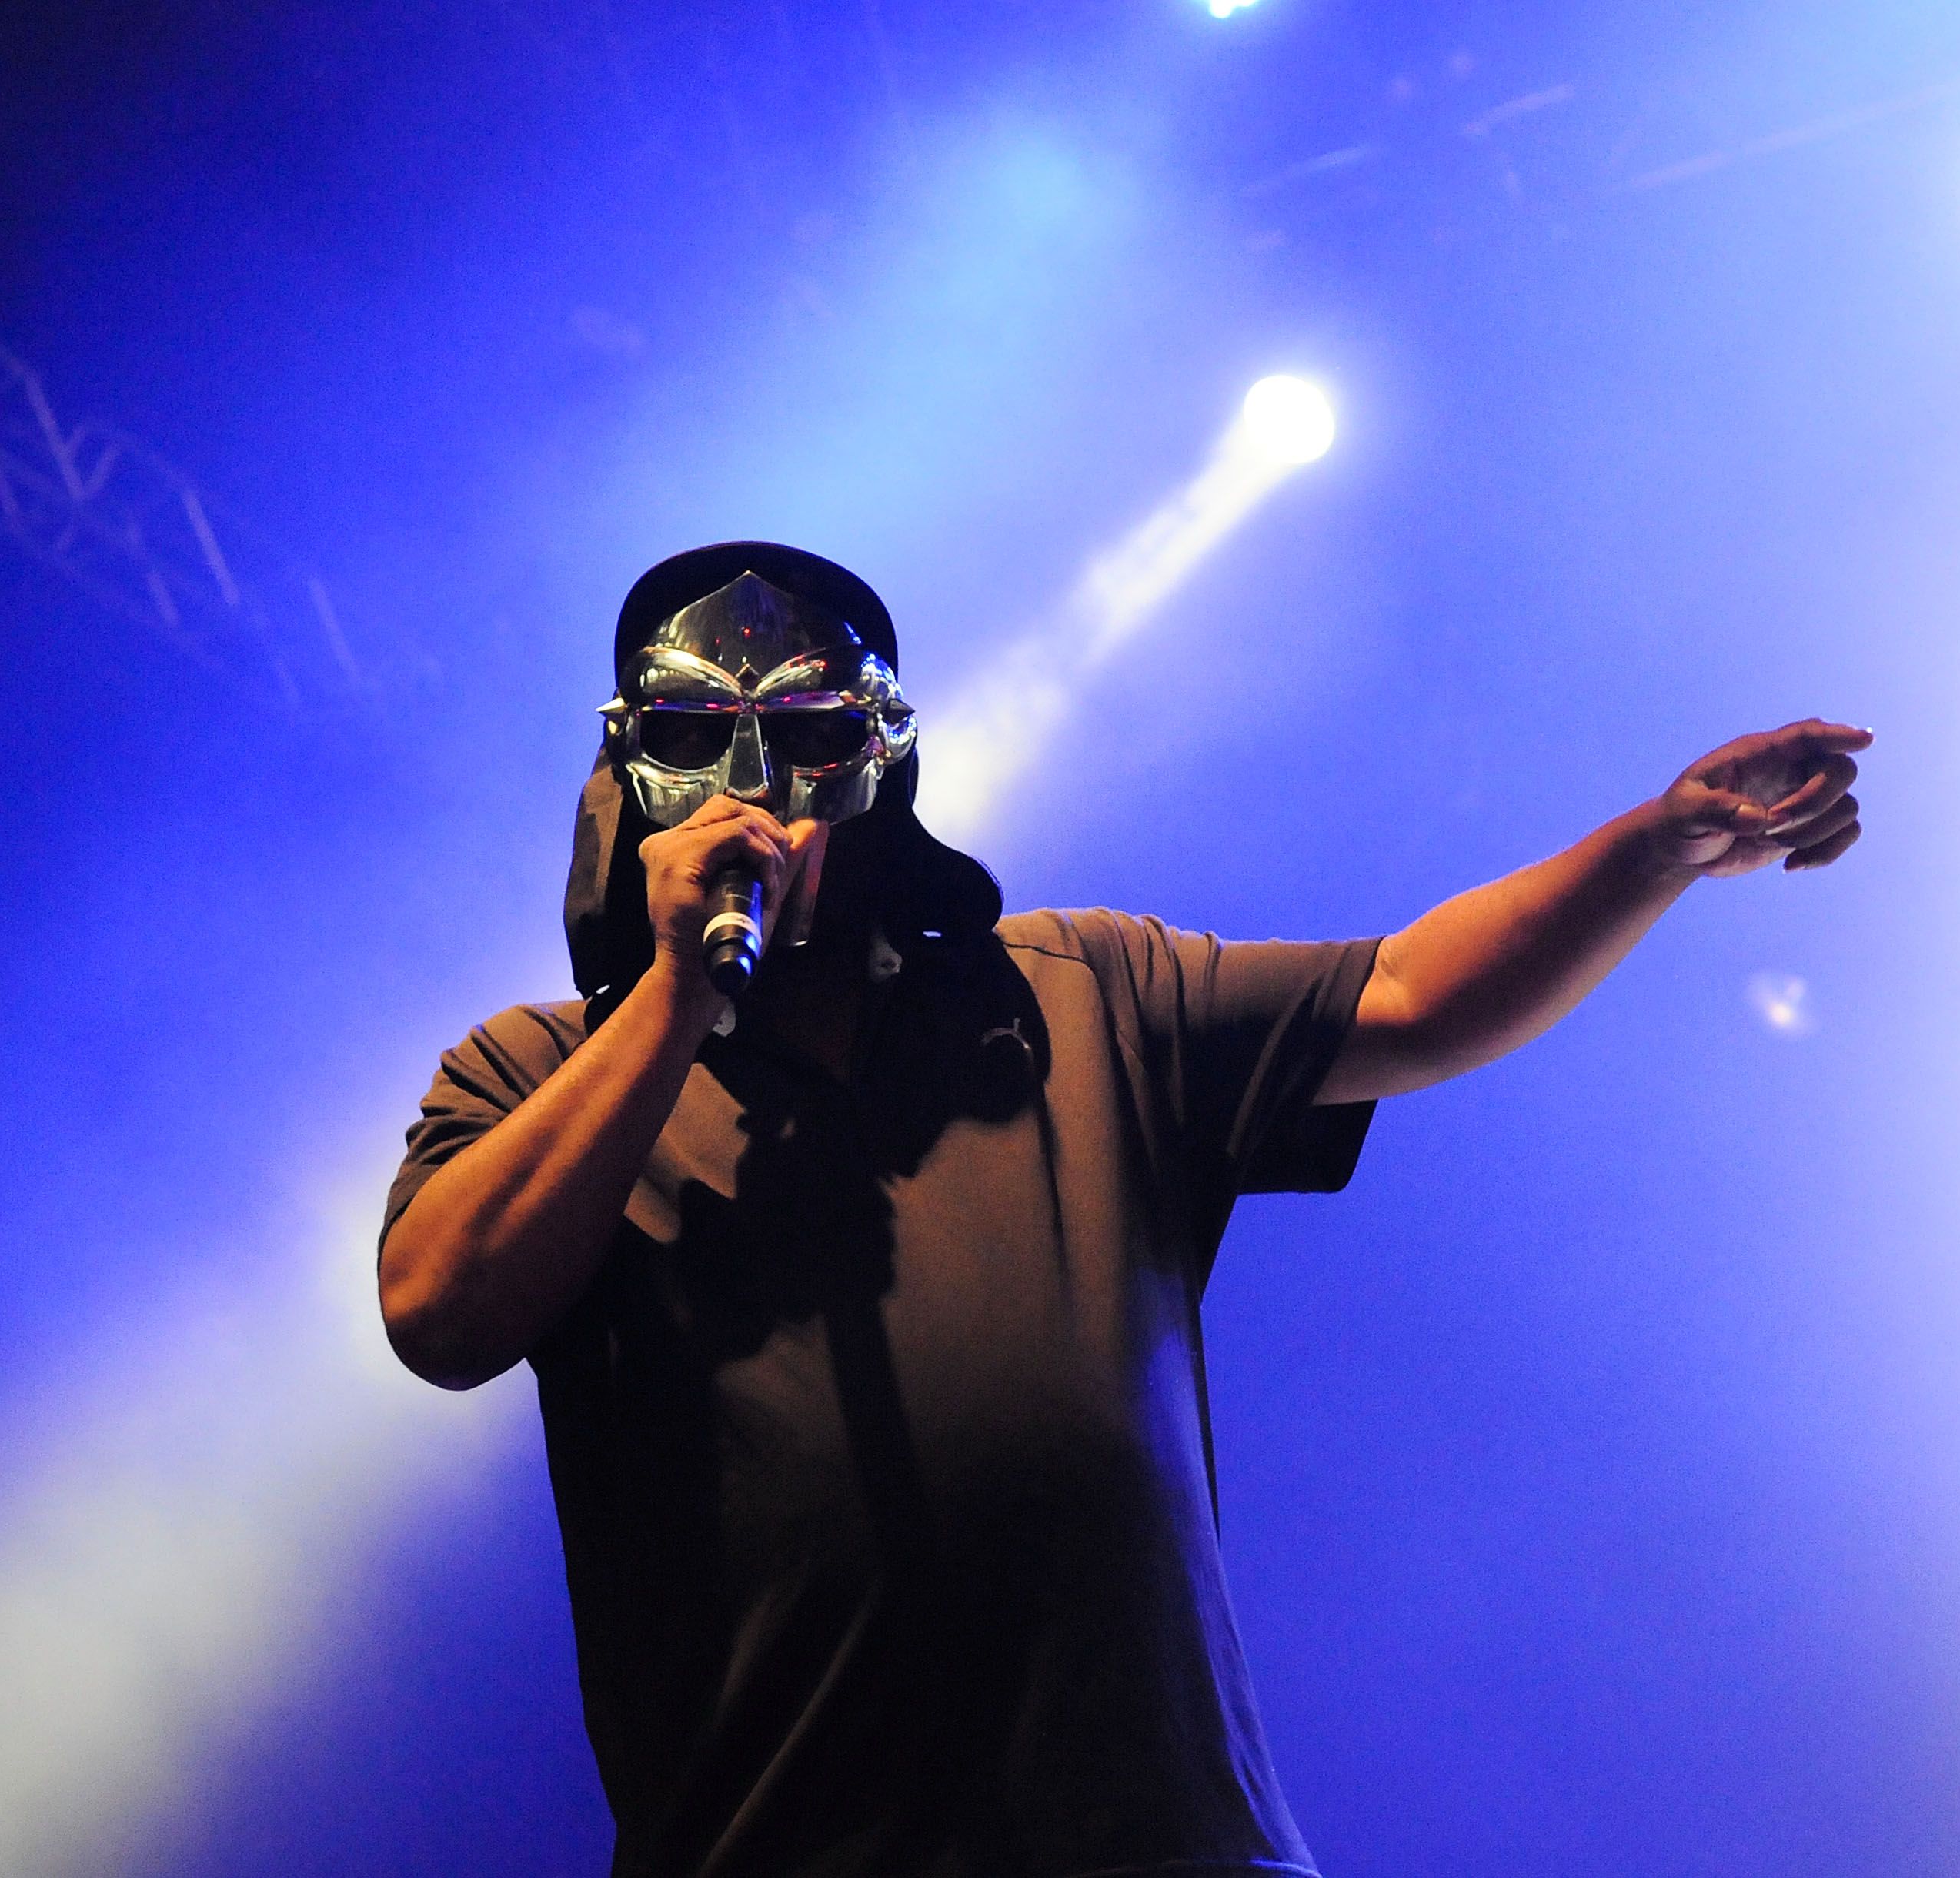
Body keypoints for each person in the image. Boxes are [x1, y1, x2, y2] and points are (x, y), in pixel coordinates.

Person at [376, 542, 1868, 1878]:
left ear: (881, 764)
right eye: (698, 736)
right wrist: (670, 1005)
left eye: (813, 737)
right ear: (625, 774)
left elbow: (1406, 994)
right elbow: (440, 1313)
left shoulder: (1073, 993)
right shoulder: (535, 1075)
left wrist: (1655, 845)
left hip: (1158, 1840)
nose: (755, 787)